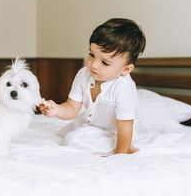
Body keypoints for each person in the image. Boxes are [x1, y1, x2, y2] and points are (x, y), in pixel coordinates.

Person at [39, 18, 146, 156]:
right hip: (88, 125)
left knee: (71, 139)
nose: (93, 64)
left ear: (125, 69)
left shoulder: (124, 87)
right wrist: (56, 109)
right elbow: (72, 108)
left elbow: (124, 126)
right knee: (64, 133)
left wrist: (120, 154)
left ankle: (125, 146)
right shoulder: (83, 74)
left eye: (105, 63)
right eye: (91, 54)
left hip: (114, 132)